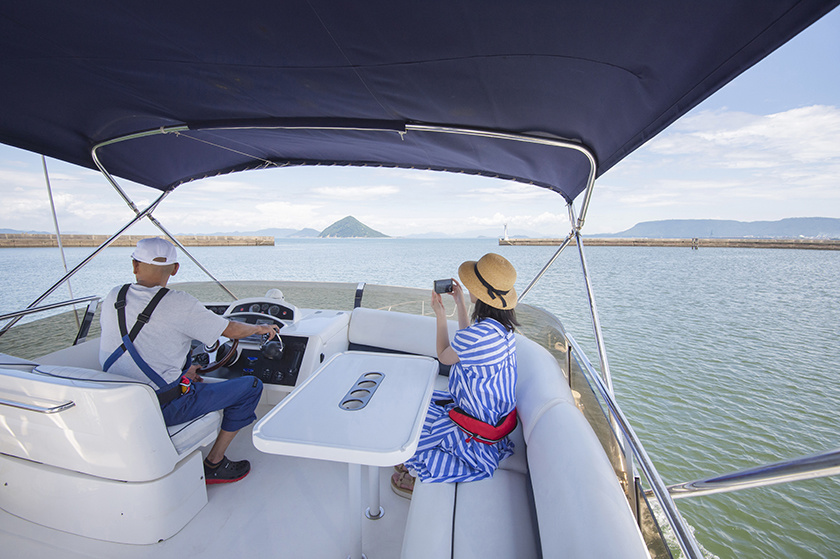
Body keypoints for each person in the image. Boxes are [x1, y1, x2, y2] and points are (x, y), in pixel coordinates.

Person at [99, 237, 280, 484]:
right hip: (163, 408)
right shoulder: (180, 303)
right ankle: (214, 464)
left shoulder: (113, 296)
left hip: (115, 401)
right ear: (175, 269)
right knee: (251, 386)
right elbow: (231, 331)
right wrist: (261, 330)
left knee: (188, 379)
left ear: (134, 265)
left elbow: (147, 347)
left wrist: (183, 374)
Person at [392, 253, 519, 498]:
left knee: (412, 418)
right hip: (494, 419)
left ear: (480, 293)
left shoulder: (477, 336)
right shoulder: (503, 331)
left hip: (476, 428)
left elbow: (444, 355)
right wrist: (460, 304)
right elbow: (466, 347)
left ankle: (419, 468)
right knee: (420, 406)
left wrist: (440, 314)